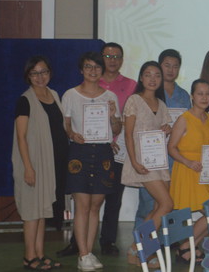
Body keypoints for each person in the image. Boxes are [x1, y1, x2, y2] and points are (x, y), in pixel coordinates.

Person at [62, 52, 121, 271]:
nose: (93, 71)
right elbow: (66, 124)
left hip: (103, 153)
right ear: (81, 70)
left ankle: (88, 251)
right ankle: (82, 254)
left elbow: (117, 129)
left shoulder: (110, 96)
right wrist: (72, 134)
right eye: (88, 67)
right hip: (80, 152)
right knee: (82, 205)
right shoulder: (70, 94)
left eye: (97, 67)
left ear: (102, 70)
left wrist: (113, 115)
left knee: (96, 205)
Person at [12, 56, 68, 271]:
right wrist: (28, 167)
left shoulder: (53, 95)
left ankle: (40, 254)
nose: (40, 77)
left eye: (43, 72)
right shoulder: (25, 101)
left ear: (50, 73)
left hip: (50, 164)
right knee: (31, 212)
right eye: (34, 73)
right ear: (28, 76)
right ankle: (29, 257)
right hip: (33, 163)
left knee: (43, 210)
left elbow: (60, 127)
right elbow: (21, 137)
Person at [121, 61, 173, 267]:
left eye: (157, 75)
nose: (153, 79)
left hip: (159, 162)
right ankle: (138, 248)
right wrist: (134, 161)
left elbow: (162, 130)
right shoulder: (134, 100)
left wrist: (167, 130)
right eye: (148, 74)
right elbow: (128, 134)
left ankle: (139, 251)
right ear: (141, 78)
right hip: (142, 162)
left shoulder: (161, 104)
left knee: (157, 207)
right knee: (167, 204)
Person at [168, 79, 209, 264]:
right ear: (192, 96)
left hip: (206, 173)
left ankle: (188, 247)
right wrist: (188, 162)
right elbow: (171, 147)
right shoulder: (184, 119)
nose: (204, 97)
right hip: (188, 171)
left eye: (208, 94)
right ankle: (186, 247)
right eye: (200, 94)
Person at [135, 49, 191, 227]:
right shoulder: (150, 93)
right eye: (167, 65)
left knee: (170, 203)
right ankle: (141, 240)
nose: (171, 70)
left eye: (175, 66)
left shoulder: (184, 95)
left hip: (175, 157)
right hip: (152, 156)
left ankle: (165, 239)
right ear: (160, 66)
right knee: (148, 203)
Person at [97, 42, 136, 257]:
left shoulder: (131, 85)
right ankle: (78, 242)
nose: (112, 60)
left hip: (119, 149)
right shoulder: (92, 81)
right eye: (108, 56)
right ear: (101, 58)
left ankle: (108, 241)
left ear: (122, 60)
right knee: (89, 199)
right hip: (95, 148)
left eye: (117, 56)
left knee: (114, 198)